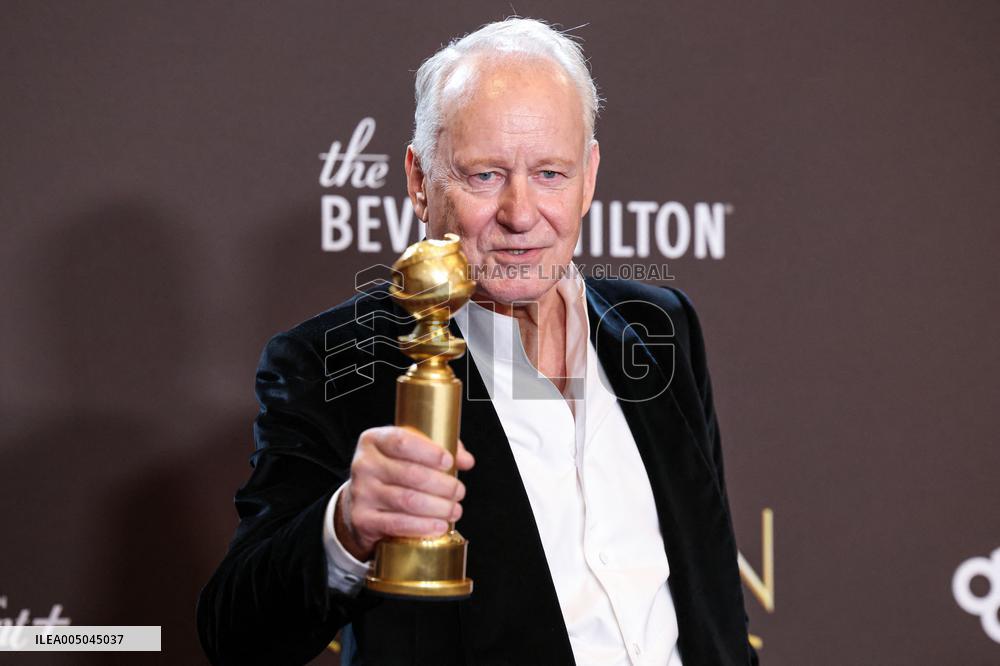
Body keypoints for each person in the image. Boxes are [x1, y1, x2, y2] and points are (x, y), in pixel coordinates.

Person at [198, 17, 757, 666]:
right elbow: (235, 634)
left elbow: (711, 594)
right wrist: (348, 525)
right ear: (418, 178)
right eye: (485, 175)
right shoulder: (335, 362)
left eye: (550, 173)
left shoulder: (661, 328)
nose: (521, 215)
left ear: (590, 178)